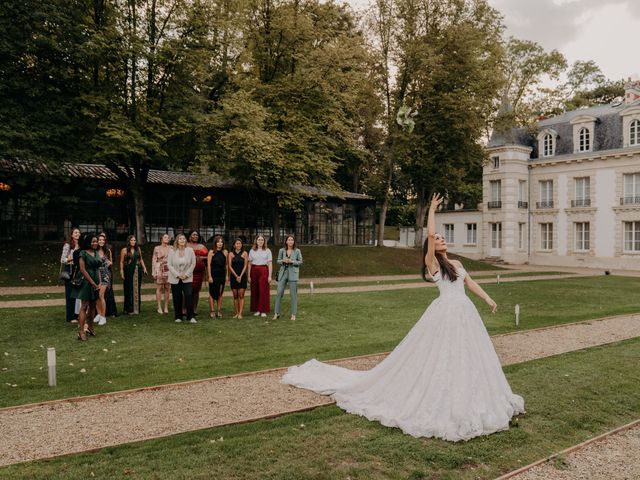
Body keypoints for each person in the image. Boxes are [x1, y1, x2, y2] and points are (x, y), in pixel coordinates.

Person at [283, 193, 524, 442]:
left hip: (465, 311)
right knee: (439, 354)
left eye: (442, 238)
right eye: (438, 238)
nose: (440, 239)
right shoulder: (432, 263)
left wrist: (487, 299)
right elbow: (430, 235)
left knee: (467, 354)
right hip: (445, 312)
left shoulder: (457, 264)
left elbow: (471, 284)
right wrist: (431, 209)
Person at [71, 233, 101, 341]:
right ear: (88, 242)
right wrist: (92, 282)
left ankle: (90, 327)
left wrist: (99, 282)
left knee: (93, 306)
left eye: (96, 241)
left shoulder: (96, 253)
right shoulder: (82, 253)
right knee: (84, 305)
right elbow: (82, 269)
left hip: (96, 280)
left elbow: (98, 268)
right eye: (93, 241)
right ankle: (81, 331)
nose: (95, 243)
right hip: (86, 281)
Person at [168, 233, 196, 323]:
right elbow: (169, 265)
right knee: (177, 297)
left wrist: (186, 274)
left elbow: (193, 264)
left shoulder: (190, 250)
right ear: (177, 241)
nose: (182, 240)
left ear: (185, 241)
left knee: (188, 295)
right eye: (180, 239)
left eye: (184, 239)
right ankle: (178, 316)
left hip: (187, 278)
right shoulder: (172, 251)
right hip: (175, 278)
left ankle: (190, 316)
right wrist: (177, 275)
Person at [273, 235, 303, 321]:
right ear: (286, 241)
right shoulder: (281, 250)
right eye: (289, 240)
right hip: (283, 273)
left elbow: (300, 261)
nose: (290, 241)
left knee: (293, 294)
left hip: (293, 274)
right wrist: (283, 260)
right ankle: (276, 313)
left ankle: (293, 314)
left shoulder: (297, 251)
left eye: (292, 240)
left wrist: (292, 261)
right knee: (279, 293)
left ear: (294, 242)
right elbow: (278, 260)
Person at [120, 235, 148, 315]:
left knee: (136, 288)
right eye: (132, 240)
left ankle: (136, 308)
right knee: (128, 289)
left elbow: (141, 259)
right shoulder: (124, 250)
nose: (133, 242)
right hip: (128, 271)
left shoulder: (138, 249)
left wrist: (144, 268)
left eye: (134, 240)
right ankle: (128, 309)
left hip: (137, 271)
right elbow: (121, 262)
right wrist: (121, 271)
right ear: (128, 241)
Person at [248, 235, 272, 317]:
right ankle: (257, 309)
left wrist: (269, 276)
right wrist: (248, 276)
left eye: (262, 240)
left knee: (263, 290)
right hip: (254, 271)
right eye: (259, 239)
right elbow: (249, 264)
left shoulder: (268, 250)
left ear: (264, 241)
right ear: (256, 241)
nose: (260, 241)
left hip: (264, 270)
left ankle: (263, 310)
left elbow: (270, 264)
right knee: (255, 290)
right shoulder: (252, 251)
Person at [60, 227, 80, 323]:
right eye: (75, 233)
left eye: (78, 233)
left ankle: (77, 315)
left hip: (78, 270)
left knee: (77, 294)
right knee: (70, 294)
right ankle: (70, 316)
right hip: (70, 270)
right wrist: (71, 259)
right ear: (72, 235)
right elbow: (62, 259)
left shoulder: (81, 245)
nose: (77, 234)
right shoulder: (68, 246)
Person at [94, 233, 114, 326]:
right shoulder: (94, 251)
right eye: (99, 240)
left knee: (101, 295)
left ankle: (103, 317)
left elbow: (111, 262)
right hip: (96, 275)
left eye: (103, 240)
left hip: (105, 274)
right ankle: (98, 314)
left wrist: (108, 263)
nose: (101, 241)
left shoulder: (108, 251)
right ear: (97, 241)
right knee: (96, 296)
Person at [187, 230, 208, 316]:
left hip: (199, 272)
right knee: (187, 290)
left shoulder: (202, 246)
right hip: (188, 272)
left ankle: (194, 308)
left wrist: (203, 258)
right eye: (193, 235)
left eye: (197, 235)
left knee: (196, 291)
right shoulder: (186, 245)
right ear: (190, 236)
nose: (195, 236)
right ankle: (185, 309)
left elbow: (207, 257)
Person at [207, 235, 228, 318]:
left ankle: (219, 310)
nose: (220, 243)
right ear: (215, 243)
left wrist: (227, 276)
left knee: (220, 293)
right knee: (212, 293)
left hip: (222, 275)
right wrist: (209, 276)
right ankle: (212, 310)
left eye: (221, 242)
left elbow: (226, 265)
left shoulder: (225, 252)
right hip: (213, 275)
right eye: (218, 242)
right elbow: (209, 265)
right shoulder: (211, 252)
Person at [228, 238, 248, 319]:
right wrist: (236, 276)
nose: (238, 245)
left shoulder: (245, 253)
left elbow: (245, 265)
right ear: (234, 245)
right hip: (234, 277)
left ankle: (240, 313)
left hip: (242, 277)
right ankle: (236, 313)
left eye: (240, 243)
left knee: (241, 295)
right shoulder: (230, 254)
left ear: (241, 244)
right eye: (237, 243)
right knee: (235, 295)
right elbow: (229, 266)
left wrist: (240, 276)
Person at [152, 233, 171, 314]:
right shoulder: (157, 248)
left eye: (168, 237)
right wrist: (154, 272)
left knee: (167, 288)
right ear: (161, 239)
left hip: (168, 269)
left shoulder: (171, 248)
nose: (167, 238)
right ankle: (159, 306)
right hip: (159, 268)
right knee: (159, 288)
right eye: (165, 237)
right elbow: (154, 260)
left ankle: (166, 306)